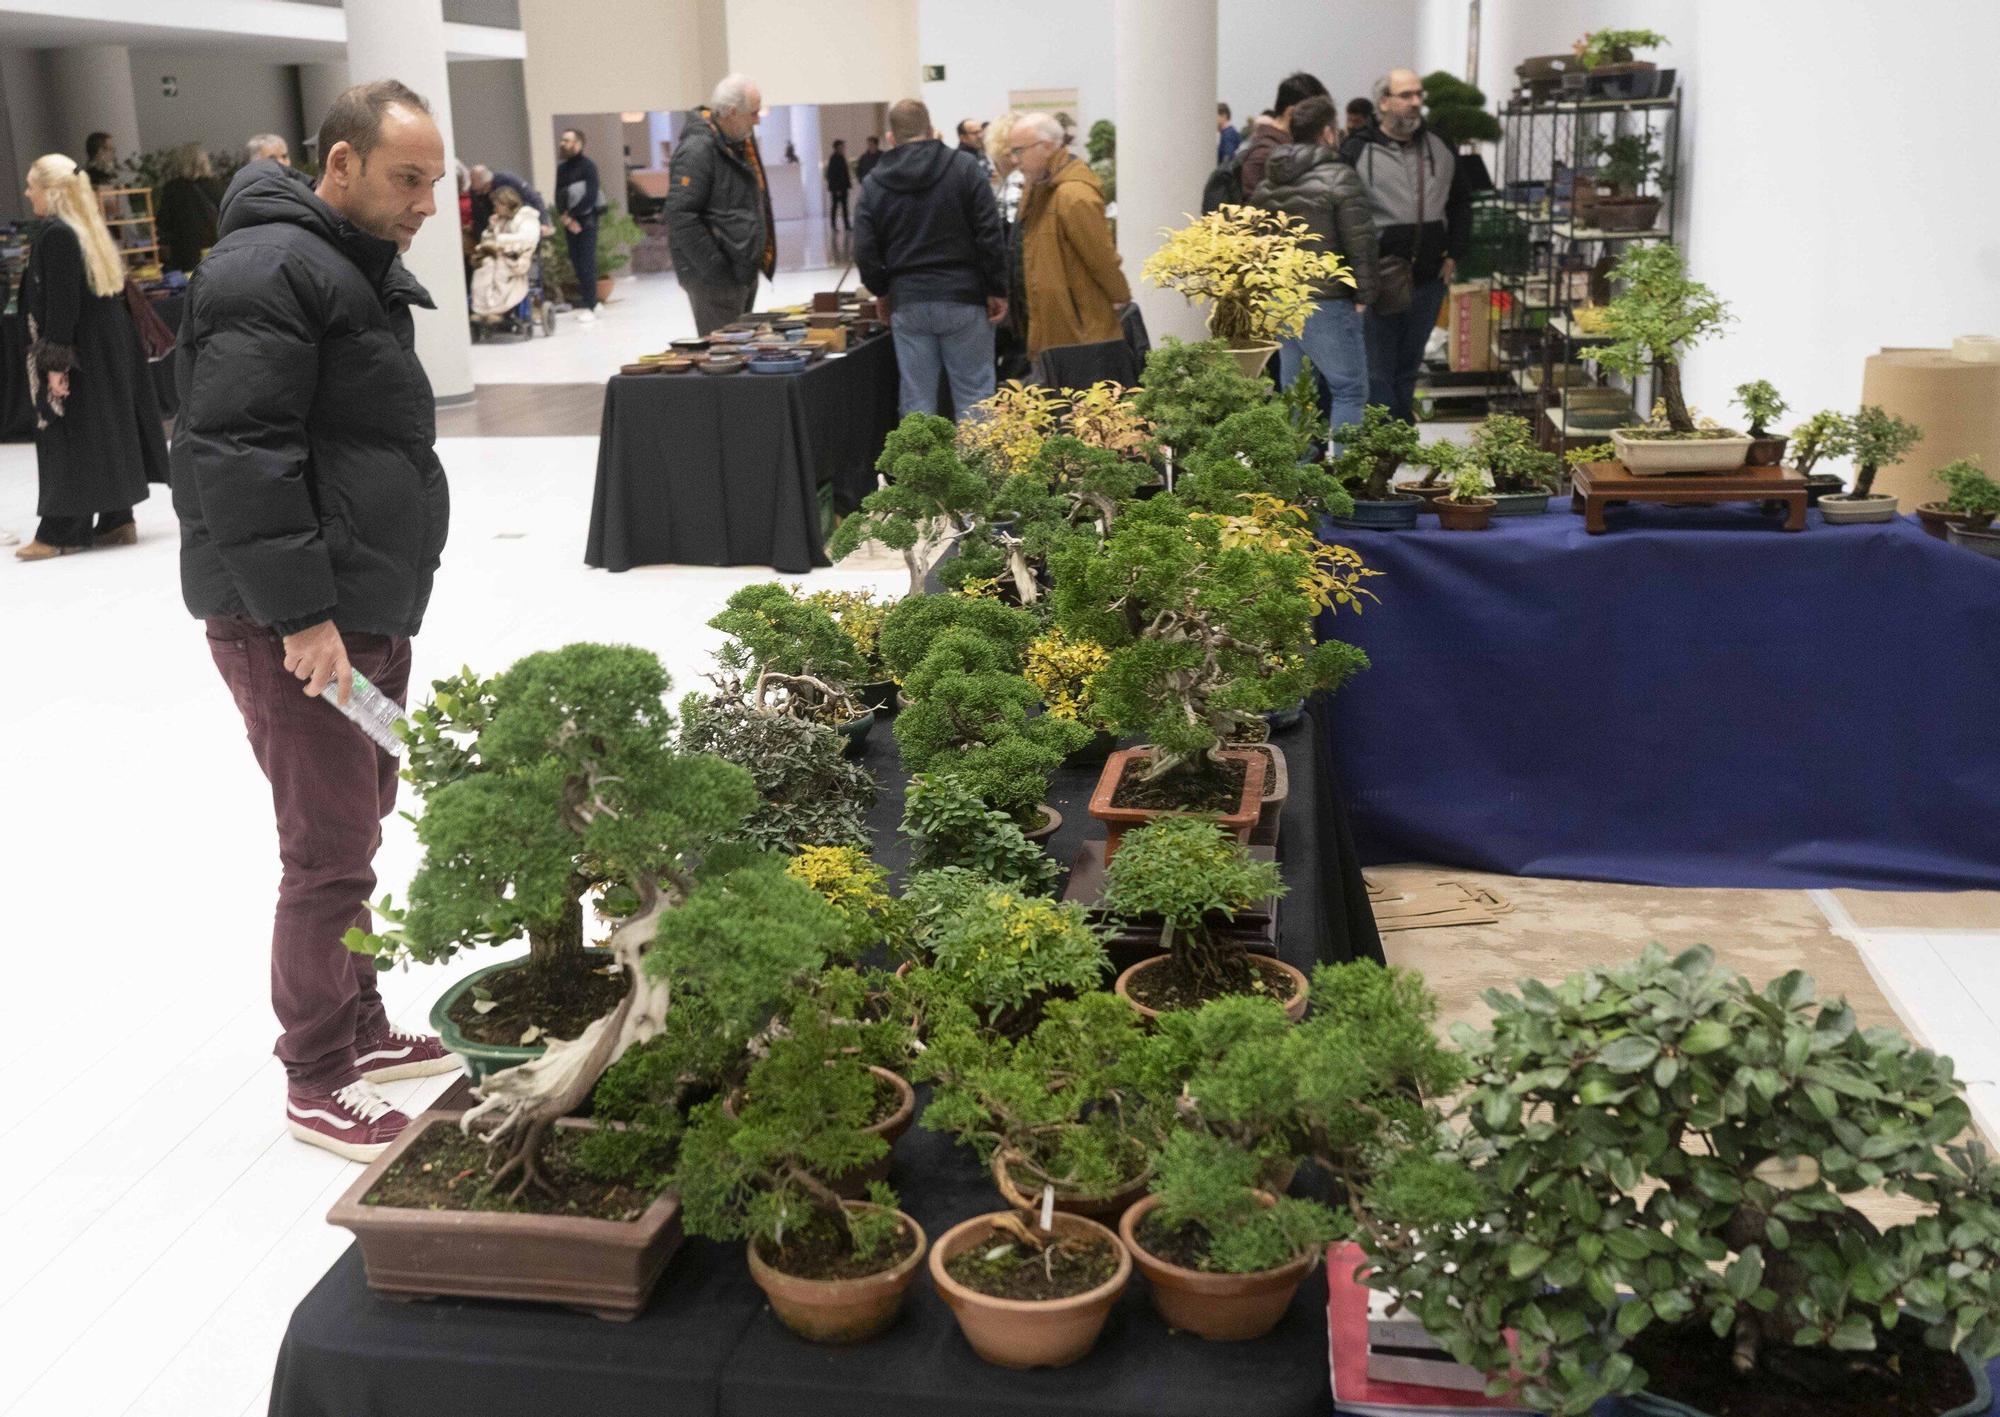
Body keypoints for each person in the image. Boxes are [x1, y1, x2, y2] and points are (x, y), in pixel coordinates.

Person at [170, 79, 459, 1163]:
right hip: (299, 622)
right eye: (406, 178)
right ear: (338, 167)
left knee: (363, 813)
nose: (426, 201)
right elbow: (240, 455)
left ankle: (360, 1021)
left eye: (433, 180)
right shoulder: (268, 269)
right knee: (328, 846)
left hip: (363, 602)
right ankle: (317, 1072)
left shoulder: (336, 259)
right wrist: (301, 617)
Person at [13, 156, 166, 561]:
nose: (28, 194)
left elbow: (61, 305)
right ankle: (118, 519)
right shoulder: (87, 228)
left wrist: (55, 364)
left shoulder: (57, 235)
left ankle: (62, 530)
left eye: (33, 186)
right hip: (108, 345)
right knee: (107, 426)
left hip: (81, 347)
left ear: (52, 190)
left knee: (69, 430)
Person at [855, 99, 1007, 418]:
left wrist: (882, 290)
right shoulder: (964, 168)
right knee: (975, 396)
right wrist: (997, 288)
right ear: (930, 129)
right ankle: (980, 469)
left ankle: (921, 469)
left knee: (917, 402)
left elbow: (865, 251)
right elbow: (989, 233)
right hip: (964, 297)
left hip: (909, 301)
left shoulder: (874, 183)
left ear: (891, 137)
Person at [1342, 67, 1472, 424]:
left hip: (1429, 278)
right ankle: (1387, 442)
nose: (1416, 103)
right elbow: (1342, 214)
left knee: (1409, 366)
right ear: (1383, 102)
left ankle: (1397, 443)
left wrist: (1454, 254)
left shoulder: (1440, 146)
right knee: (1378, 370)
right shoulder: (1357, 150)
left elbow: (1462, 201)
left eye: (1419, 95)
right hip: (1380, 278)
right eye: (1406, 96)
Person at [1252, 95, 1377, 444]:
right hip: (1329, 299)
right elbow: (1361, 241)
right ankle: (1346, 479)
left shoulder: (1267, 184)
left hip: (1283, 302)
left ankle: (1297, 482)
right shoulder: (1340, 178)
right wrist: (1365, 294)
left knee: (1296, 395)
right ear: (1327, 132)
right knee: (1349, 390)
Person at [1008, 111, 1129, 358]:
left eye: (1019, 151)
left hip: (1079, 332)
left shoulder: (1073, 196)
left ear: (1046, 147)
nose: (1014, 160)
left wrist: (1121, 298)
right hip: (1054, 330)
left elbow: (1101, 258)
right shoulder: (1038, 191)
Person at [664, 73, 777, 336]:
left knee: (740, 353)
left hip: (739, 270)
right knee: (724, 357)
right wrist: (715, 269)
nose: (757, 120)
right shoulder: (698, 150)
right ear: (729, 112)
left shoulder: (737, 145)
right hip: (715, 279)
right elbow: (680, 214)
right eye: (753, 113)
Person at [1239, 72, 1328, 197]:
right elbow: (1253, 209)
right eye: (1314, 116)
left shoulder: (1278, 148)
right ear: (1291, 113)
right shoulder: (1265, 154)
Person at [469, 183, 542, 320]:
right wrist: (491, 228)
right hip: (497, 257)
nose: (495, 208)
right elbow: (486, 239)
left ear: (506, 203)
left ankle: (497, 310)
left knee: (500, 269)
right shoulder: (500, 220)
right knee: (484, 266)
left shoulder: (526, 217)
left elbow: (527, 240)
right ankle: (482, 309)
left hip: (516, 259)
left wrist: (499, 241)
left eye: (497, 205)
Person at [555, 128, 601, 323]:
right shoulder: (562, 168)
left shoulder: (588, 166)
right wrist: (565, 218)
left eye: (567, 140)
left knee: (586, 263)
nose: (562, 144)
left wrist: (573, 217)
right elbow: (558, 194)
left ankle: (590, 305)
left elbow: (591, 196)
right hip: (570, 222)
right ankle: (594, 302)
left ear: (578, 144)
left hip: (587, 221)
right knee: (576, 261)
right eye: (562, 140)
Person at [157, 143, 222, 272]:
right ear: (205, 162)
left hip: (183, 252)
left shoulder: (172, 189)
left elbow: (163, 222)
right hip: (215, 249)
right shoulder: (218, 187)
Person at [467, 164, 549, 240]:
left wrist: (544, 222)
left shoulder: (507, 179)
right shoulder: (474, 191)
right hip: (497, 226)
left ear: (488, 184)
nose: (479, 193)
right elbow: (478, 218)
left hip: (517, 221)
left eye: (481, 190)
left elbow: (533, 197)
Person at [824, 138, 852, 233]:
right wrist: (836, 189)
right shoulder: (834, 159)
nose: (843, 149)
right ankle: (833, 225)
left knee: (844, 207)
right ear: (836, 148)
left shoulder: (842, 158)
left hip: (843, 187)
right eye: (841, 147)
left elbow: (845, 173)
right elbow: (832, 175)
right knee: (835, 207)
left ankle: (847, 225)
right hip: (837, 188)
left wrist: (847, 185)